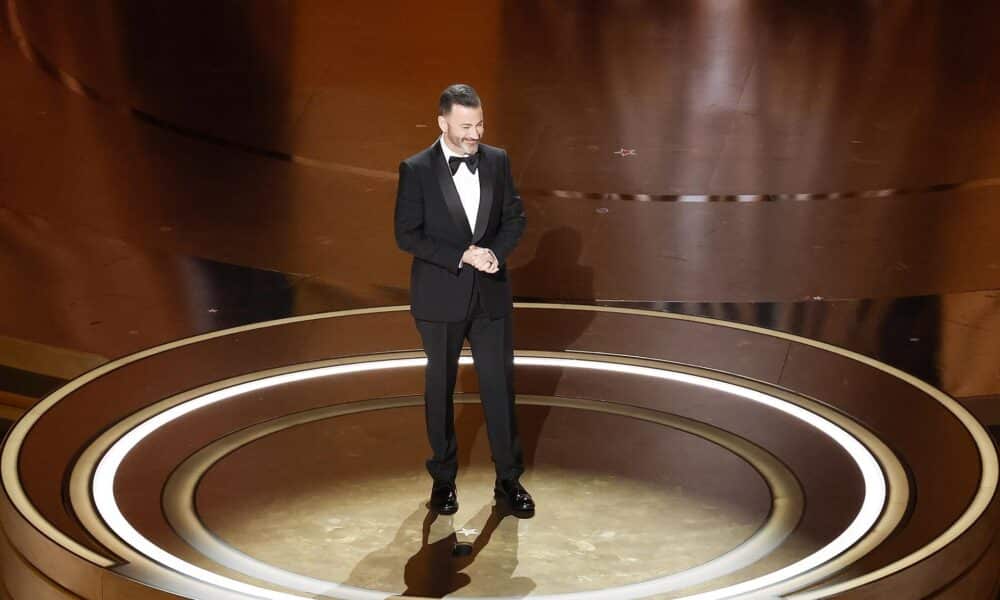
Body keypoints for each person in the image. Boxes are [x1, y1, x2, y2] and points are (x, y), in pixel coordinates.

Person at [394, 83, 533, 516]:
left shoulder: (497, 161)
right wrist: (462, 255)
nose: (475, 134)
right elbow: (406, 234)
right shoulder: (416, 169)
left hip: (490, 298)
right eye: (465, 126)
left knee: (499, 388)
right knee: (440, 388)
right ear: (442, 123)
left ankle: (509, 482)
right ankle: (443, 481)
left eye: (480, 124)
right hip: (440, 297)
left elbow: (514, 216)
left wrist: (495, 253)